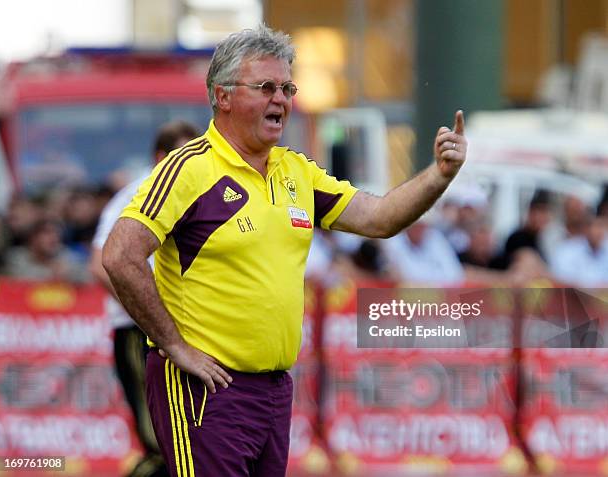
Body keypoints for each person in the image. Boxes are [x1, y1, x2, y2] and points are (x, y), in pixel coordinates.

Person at [102, 25, 467, 477]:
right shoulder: (189, 169)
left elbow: (380, 219)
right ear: (223, 96)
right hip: (205, 387)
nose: (282, 99)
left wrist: (440, 174)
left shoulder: (296, 170)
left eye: (287, 87)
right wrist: (174, 346)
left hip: (273, 390)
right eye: (267, 87)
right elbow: (119, 255)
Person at [90, 120, 199, 477]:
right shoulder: (137, 193)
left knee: (184, 443)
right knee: (159, 443)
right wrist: (143, 310)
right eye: (181, 154)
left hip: (178, 333)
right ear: (160, 158)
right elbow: (101, 262)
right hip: (139, 331)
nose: (190, 162)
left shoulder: (199, 193)